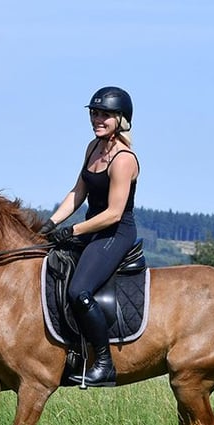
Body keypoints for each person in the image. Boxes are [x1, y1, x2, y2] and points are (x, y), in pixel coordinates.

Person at [40, 86, 140, 388]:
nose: (98, 119)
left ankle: (104, 364)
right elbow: (77, 193)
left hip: (114, 232)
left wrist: (71, 230)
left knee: (79, 290)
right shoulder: (93, 148)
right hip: (91, 229)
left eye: (105, 115)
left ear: (121, 119)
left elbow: (113, 213)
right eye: (94, 113)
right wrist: (50, 223)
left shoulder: (124, 159)